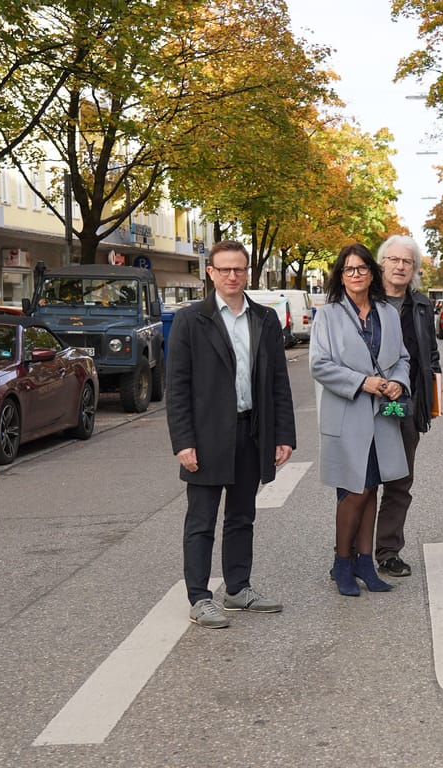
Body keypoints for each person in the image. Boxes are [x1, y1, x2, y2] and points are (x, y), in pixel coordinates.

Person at [167, 240, 296, 630]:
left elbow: (278, 382)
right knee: (202, 520)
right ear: (210, 273)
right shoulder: (192, 320)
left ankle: (238, 589)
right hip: (205, 437)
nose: (231, 276)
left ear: (247, 272)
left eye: (238, 269)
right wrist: (183, 441)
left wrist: (283, 434)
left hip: (251, 432)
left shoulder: (264, 319)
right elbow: (177, 386)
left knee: (242, 517)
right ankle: (199, 597)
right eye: (223, 269)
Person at [311, 243, 411, 597]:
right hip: (346, 412)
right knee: (354, 490)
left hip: (381, 415)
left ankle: (366, 563)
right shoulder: (328, 315)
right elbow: (320, 364)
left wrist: (398, 382)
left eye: (362, 269)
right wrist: (362, 382)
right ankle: (342, 562)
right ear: (340, 276)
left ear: (373, 273)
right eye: (349, 270)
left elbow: (402, 357)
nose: (356, 275)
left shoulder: (386, 313)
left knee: (373, 489)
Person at [371, 235, 441, 578]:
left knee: (399, 481)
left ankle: (388, 551)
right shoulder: (364, 300)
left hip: (406, 406)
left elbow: (430, 355)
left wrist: (430, 398)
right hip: (366, 403)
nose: (400, 267)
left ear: (414, 268)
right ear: (381, 263)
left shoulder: (422, 305)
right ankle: (349, 553)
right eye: (393, 260)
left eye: (407, 262)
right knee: (363, 481)